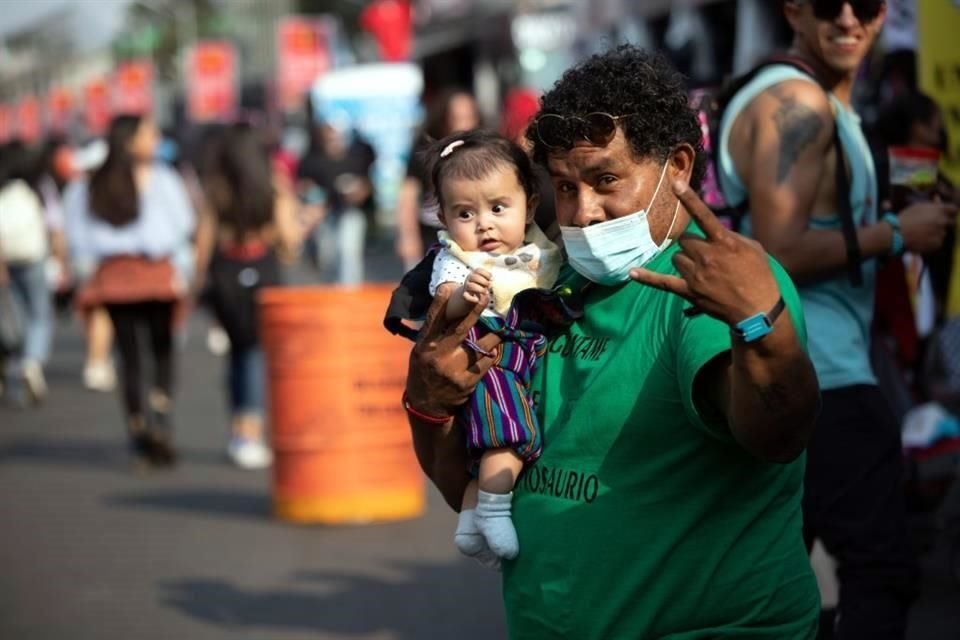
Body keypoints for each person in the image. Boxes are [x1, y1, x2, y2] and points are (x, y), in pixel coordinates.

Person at [399, 45, 822, 638]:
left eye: (606, 180)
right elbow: (462, 488)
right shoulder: (543, 284)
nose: (585, 213)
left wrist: (762, 326)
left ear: (676, 168)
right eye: (565, 188)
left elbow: (776, 435)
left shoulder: (709, 284)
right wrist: (428, 403)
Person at [716, 2, 958, 638]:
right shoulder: (798, 102)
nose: (850, 17)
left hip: (795, 365)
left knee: (772, 579)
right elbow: (781, 248)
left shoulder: (813, 97)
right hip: (819, 371)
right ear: (793, 8)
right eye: (828, 2)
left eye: (868, 3)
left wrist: (898, 214)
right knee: (882, 567)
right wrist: (896, 233)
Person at [412, 129, 562, 562]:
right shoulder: (457, 261)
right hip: (488, 359)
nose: (484, 224)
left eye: (498, 208)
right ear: (443, 218)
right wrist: (466, 298)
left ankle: (471, 518)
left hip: (523, 352)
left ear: (529, 205)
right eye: (465, 213)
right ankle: (495, 509)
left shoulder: (540, 246)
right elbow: (445, 302)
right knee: (507, 435)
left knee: (490, 441)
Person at [64, 114, 196, 468]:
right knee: (161, 350)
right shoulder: (162, 179)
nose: (155, 139)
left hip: (115, 277)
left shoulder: (91, 184)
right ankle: (159, 417)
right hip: (154, 274)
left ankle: (140, 427)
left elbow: (78, 236)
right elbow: (183, 224)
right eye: (149, 133)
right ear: (130, 140)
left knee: (131, 355)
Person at [198, 123, 305, 470]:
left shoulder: (216, 185)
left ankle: (237, 428)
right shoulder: (272, 184)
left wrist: (197, 283)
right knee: (256, 352)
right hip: (263, 269)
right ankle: (251, 432)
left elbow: (205, 236)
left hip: (225, 272)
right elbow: (289, 242)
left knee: (238, 352)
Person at [395, 89, 481, 269]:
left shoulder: (485, 153)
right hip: (432, 234)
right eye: (456, 118)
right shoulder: (426, 151)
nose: (463, 125)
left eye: (468, 117)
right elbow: (408, 194)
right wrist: (408, 236)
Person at [0, 141, 53, 406]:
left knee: (12, 314)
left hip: (5, 259)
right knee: (39, 313)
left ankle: (12, 363)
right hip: (33, 256)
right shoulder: (36, 188)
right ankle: (31, 362)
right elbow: (54, 222)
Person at [296, 116, 376, 285]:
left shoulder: (353, 157)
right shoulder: (312, 158)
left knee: (349, 255)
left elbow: (365, 184)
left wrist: (358, 192)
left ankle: (349, 294)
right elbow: (302, 184)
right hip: (323, 214)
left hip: (348, 211)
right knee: (327, 257)